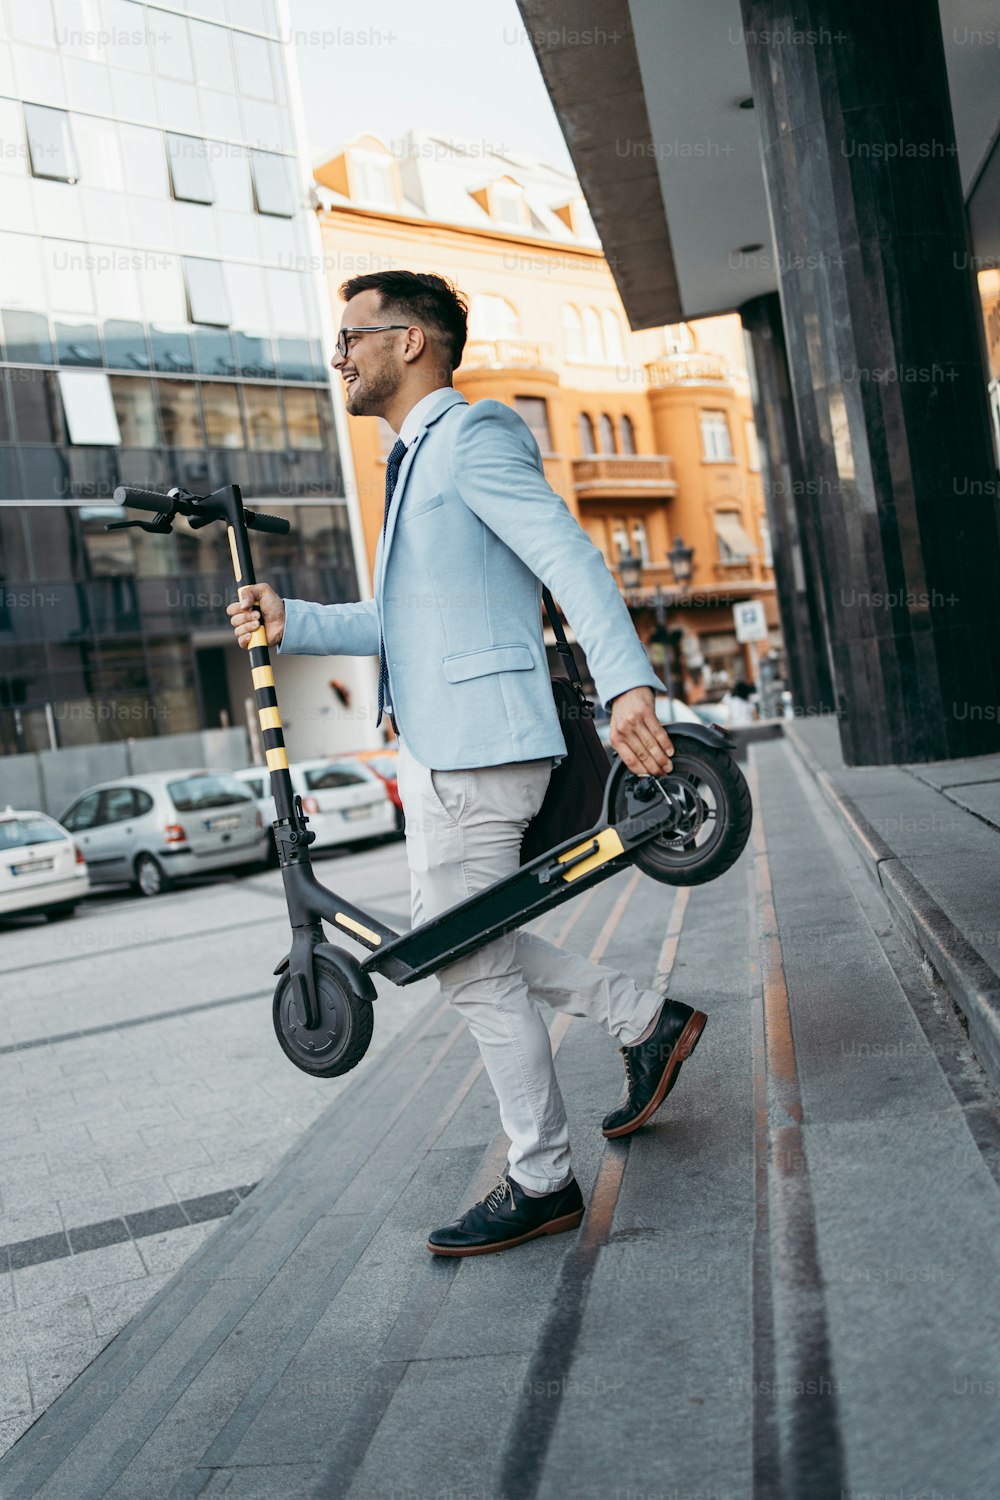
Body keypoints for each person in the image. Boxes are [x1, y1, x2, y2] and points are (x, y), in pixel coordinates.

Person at [226, 271, 707, 1257]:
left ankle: (542, 1176)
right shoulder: (412, 467)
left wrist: (629, 687)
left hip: (481, 749)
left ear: (410, 342)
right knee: (468, 949)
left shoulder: (473, 437)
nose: (339, 355)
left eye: (352, 335)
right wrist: (294, 620)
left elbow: (568, 556)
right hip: (449, 748)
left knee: (469, 969)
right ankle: (643, 1020)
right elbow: (403, 623)